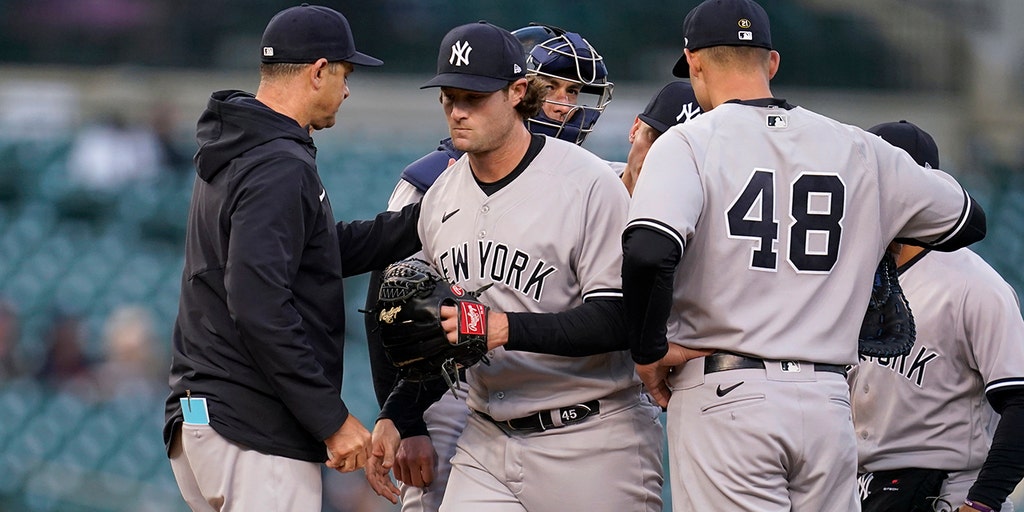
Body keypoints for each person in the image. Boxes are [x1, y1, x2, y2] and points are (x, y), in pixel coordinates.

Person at [621, 0, 988, 510]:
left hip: (727, 394)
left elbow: (647, 251)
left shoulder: (688, 143)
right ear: (772, 64)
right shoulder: (858, 148)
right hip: (828, 405)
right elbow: (968, 220)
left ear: (695, 62)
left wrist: (648, 352)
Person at [365, 21, 664, 512]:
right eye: (449, 98)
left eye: (474, 98)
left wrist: (500, 328)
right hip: (484, 436)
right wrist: (400, 412)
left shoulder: (594, 183)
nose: (458, 112)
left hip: (592, 436)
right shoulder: (437, 193)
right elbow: (417, 319)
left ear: (516, 92)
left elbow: (619, 319)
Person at [163, 5, 420, 511]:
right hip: (254, 430)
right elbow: (259, 304)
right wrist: (330, 418)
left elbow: (315, 254)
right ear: (318, 70)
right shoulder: (278, 162)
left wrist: (425, 219)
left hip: (204, 417)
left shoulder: (239, 144)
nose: (346, 90)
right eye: (345, 74)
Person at [851, 120, 1024, 512]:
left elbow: (1021, 401)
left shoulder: (975, 286)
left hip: (944, 493)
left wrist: (982, 503)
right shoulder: (852, 278)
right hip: (860, 489)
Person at [620, 80, 702, 194]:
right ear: (635, 129)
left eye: (677, 151)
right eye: (654, 138)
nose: (657, 155)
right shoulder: (591, 184)